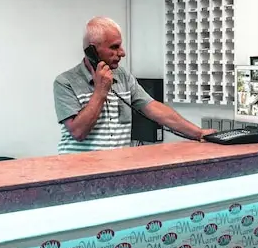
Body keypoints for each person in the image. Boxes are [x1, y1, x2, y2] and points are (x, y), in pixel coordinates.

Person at [54, 17, 215, 154]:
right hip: (79, 170)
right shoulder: (65, 82)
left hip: (116, 167)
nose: (122, 53)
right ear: (92, 51)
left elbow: (155, 109)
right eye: (114, 47)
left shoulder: (123, 76)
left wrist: (198, 133)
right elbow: (78, 132)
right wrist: (100, 91)